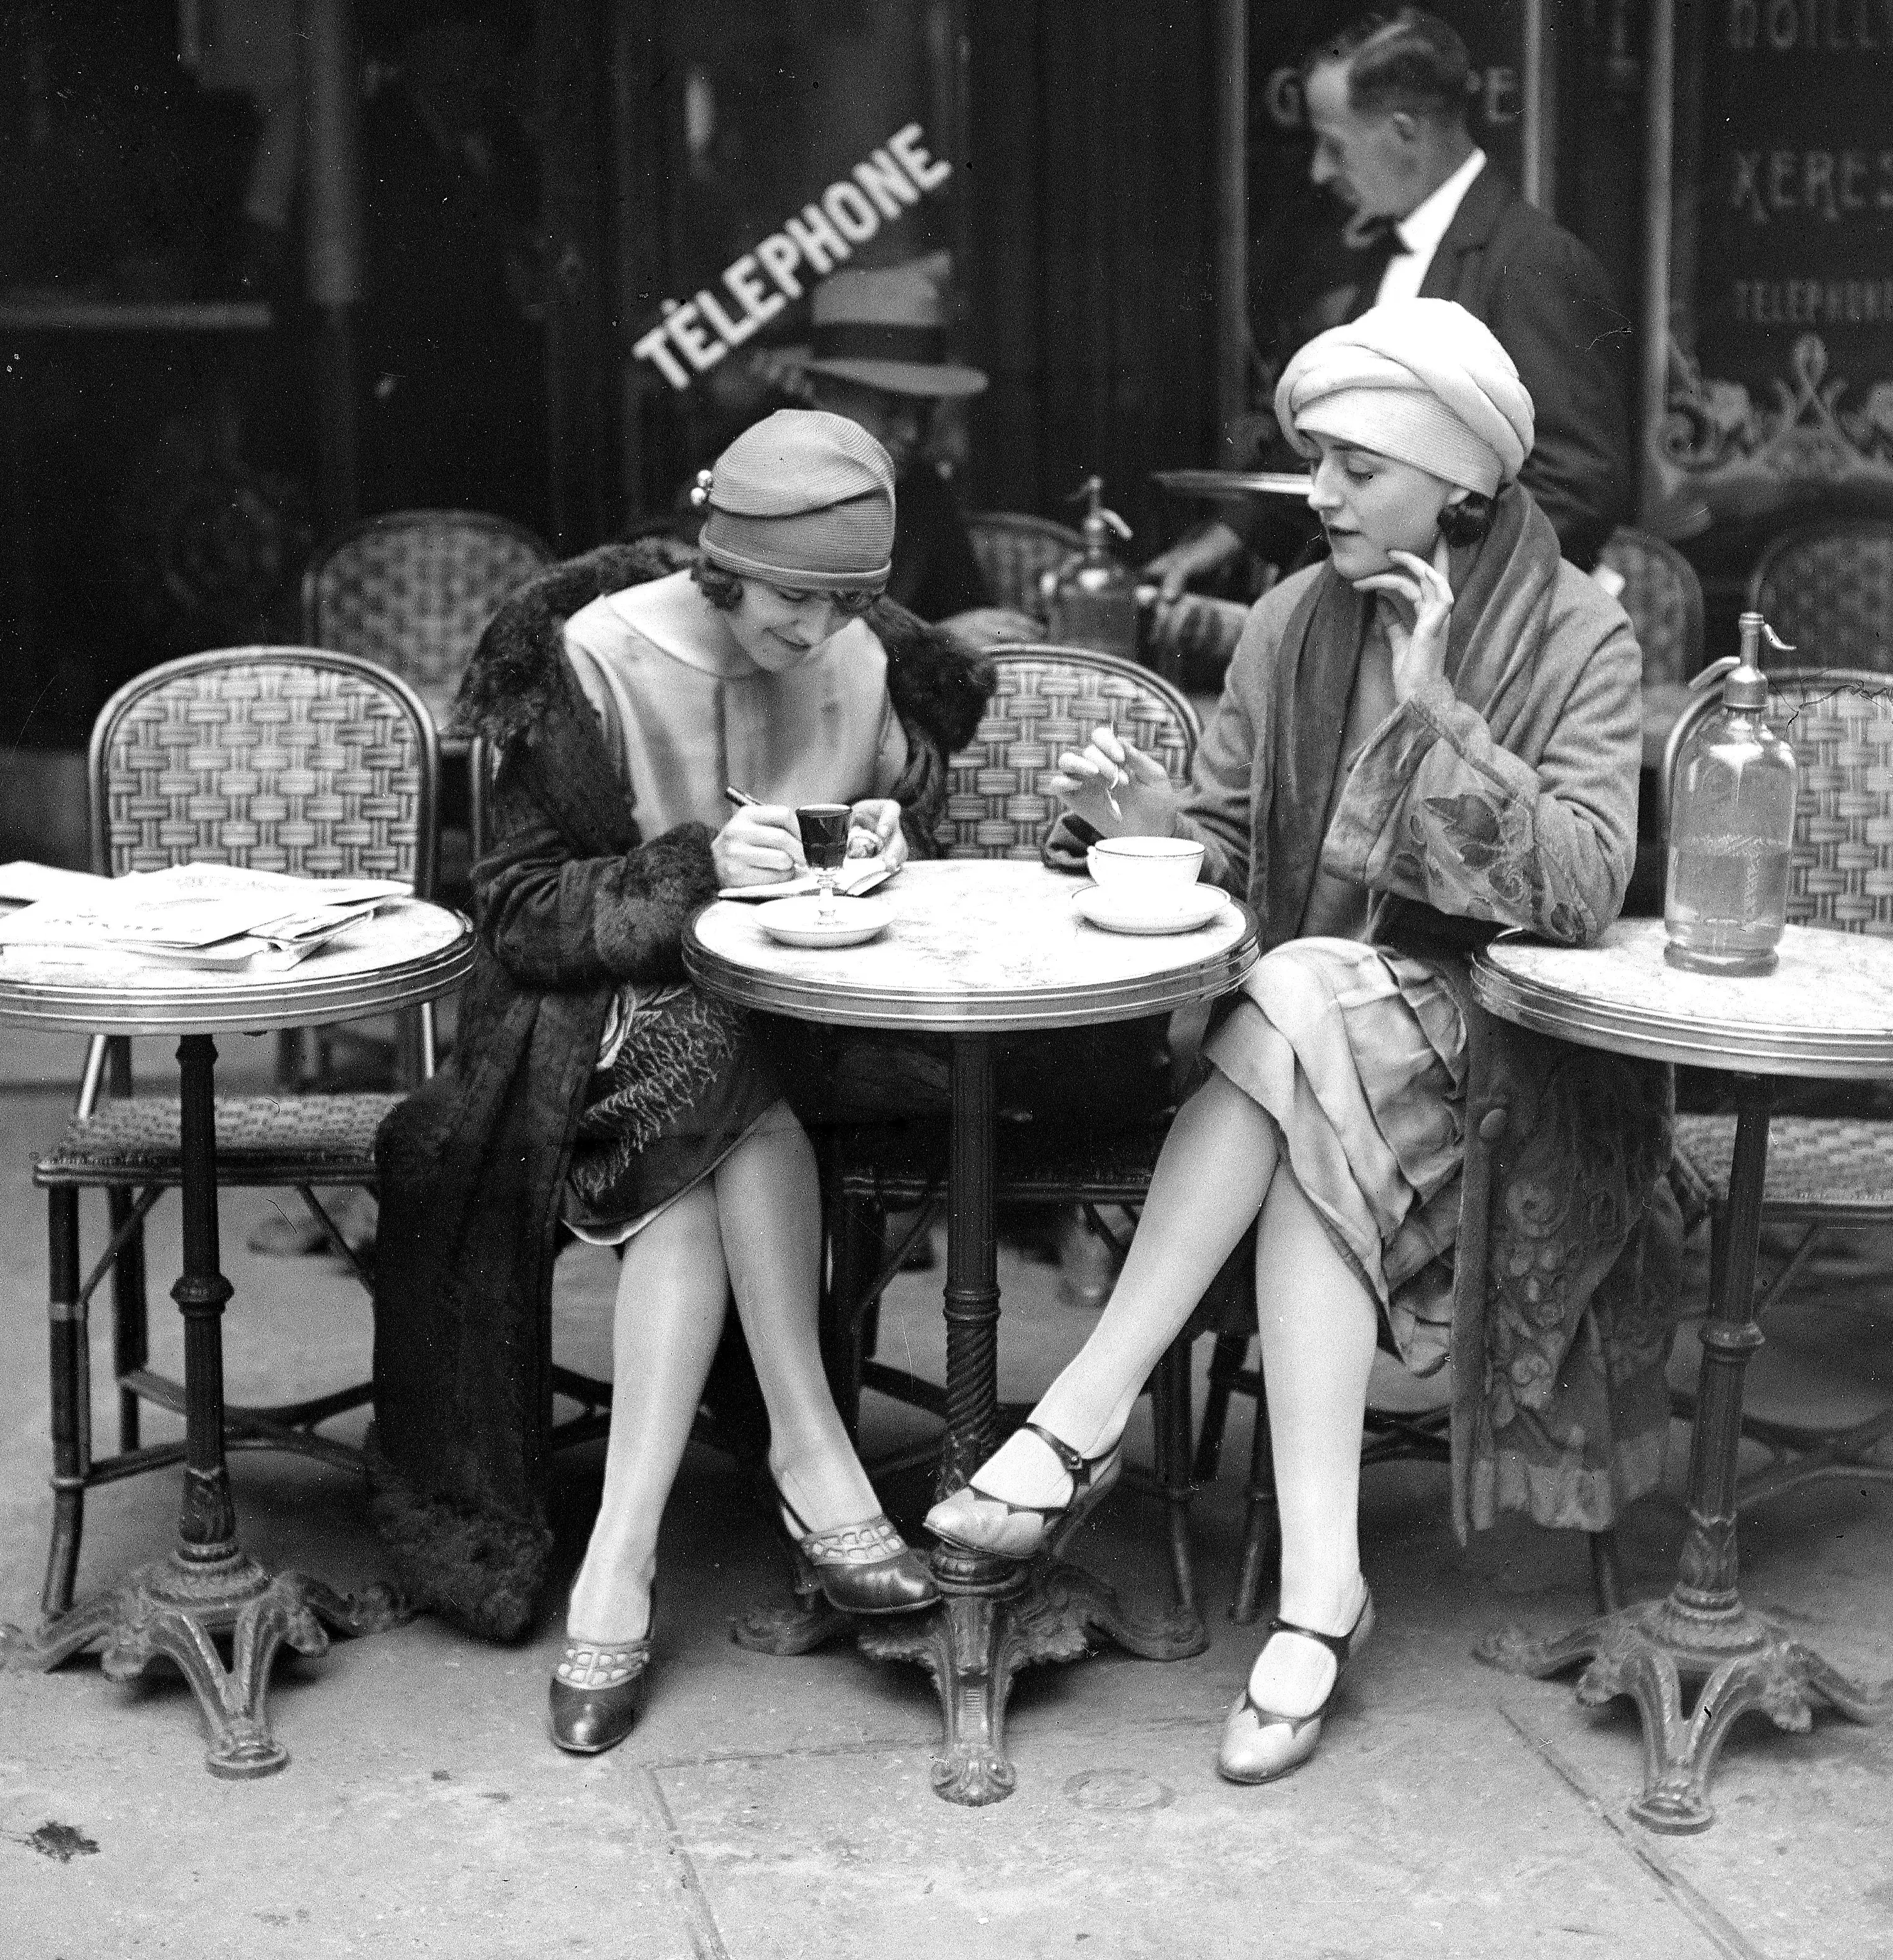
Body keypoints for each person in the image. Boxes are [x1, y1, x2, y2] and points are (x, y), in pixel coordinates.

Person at [927, 301, 1678, 1786]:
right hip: (1320, 1052)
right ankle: (1322, 1586)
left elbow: (1587, 886)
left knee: (1294, 1010)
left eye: (1352, 467)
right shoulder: (1287, 622)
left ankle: (1087, 1410)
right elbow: (1218, 838)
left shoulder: (1584, 633)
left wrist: (1434, 706)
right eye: (1314, 462)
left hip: (1512, 1052)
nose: (1318, 495)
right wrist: (1147, 826)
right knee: (1304, 1036)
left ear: (1457, 482)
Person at [367, 410, 995, 1754]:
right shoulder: (589, 658)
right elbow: (522, 916)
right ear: (720, 562)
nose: (816, 633)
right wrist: (697, 870)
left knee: (726, 1086)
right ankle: (808, 1451)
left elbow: (884, 852)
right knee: (721, 1074)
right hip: (575, 1029)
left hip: (797, 1027)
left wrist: (880, 838)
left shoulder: (862, 658)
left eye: (847, 603)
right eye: (790, 597)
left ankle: (623, 1558)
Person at [1148, 9, 1633, 597]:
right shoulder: (1382, 249)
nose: (1319, 171)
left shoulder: (1533, 262)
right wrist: (1234, 533)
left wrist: (1425, 585)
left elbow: (1579, 487)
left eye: (1333, 145)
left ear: (1406, 131)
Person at [792, 264, 998, 627]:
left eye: (924, 413)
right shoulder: (762, 490)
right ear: (823, 395)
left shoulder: (921, 490)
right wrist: (934, 642)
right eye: (890, 410)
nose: (912, 434)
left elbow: (968, 607)